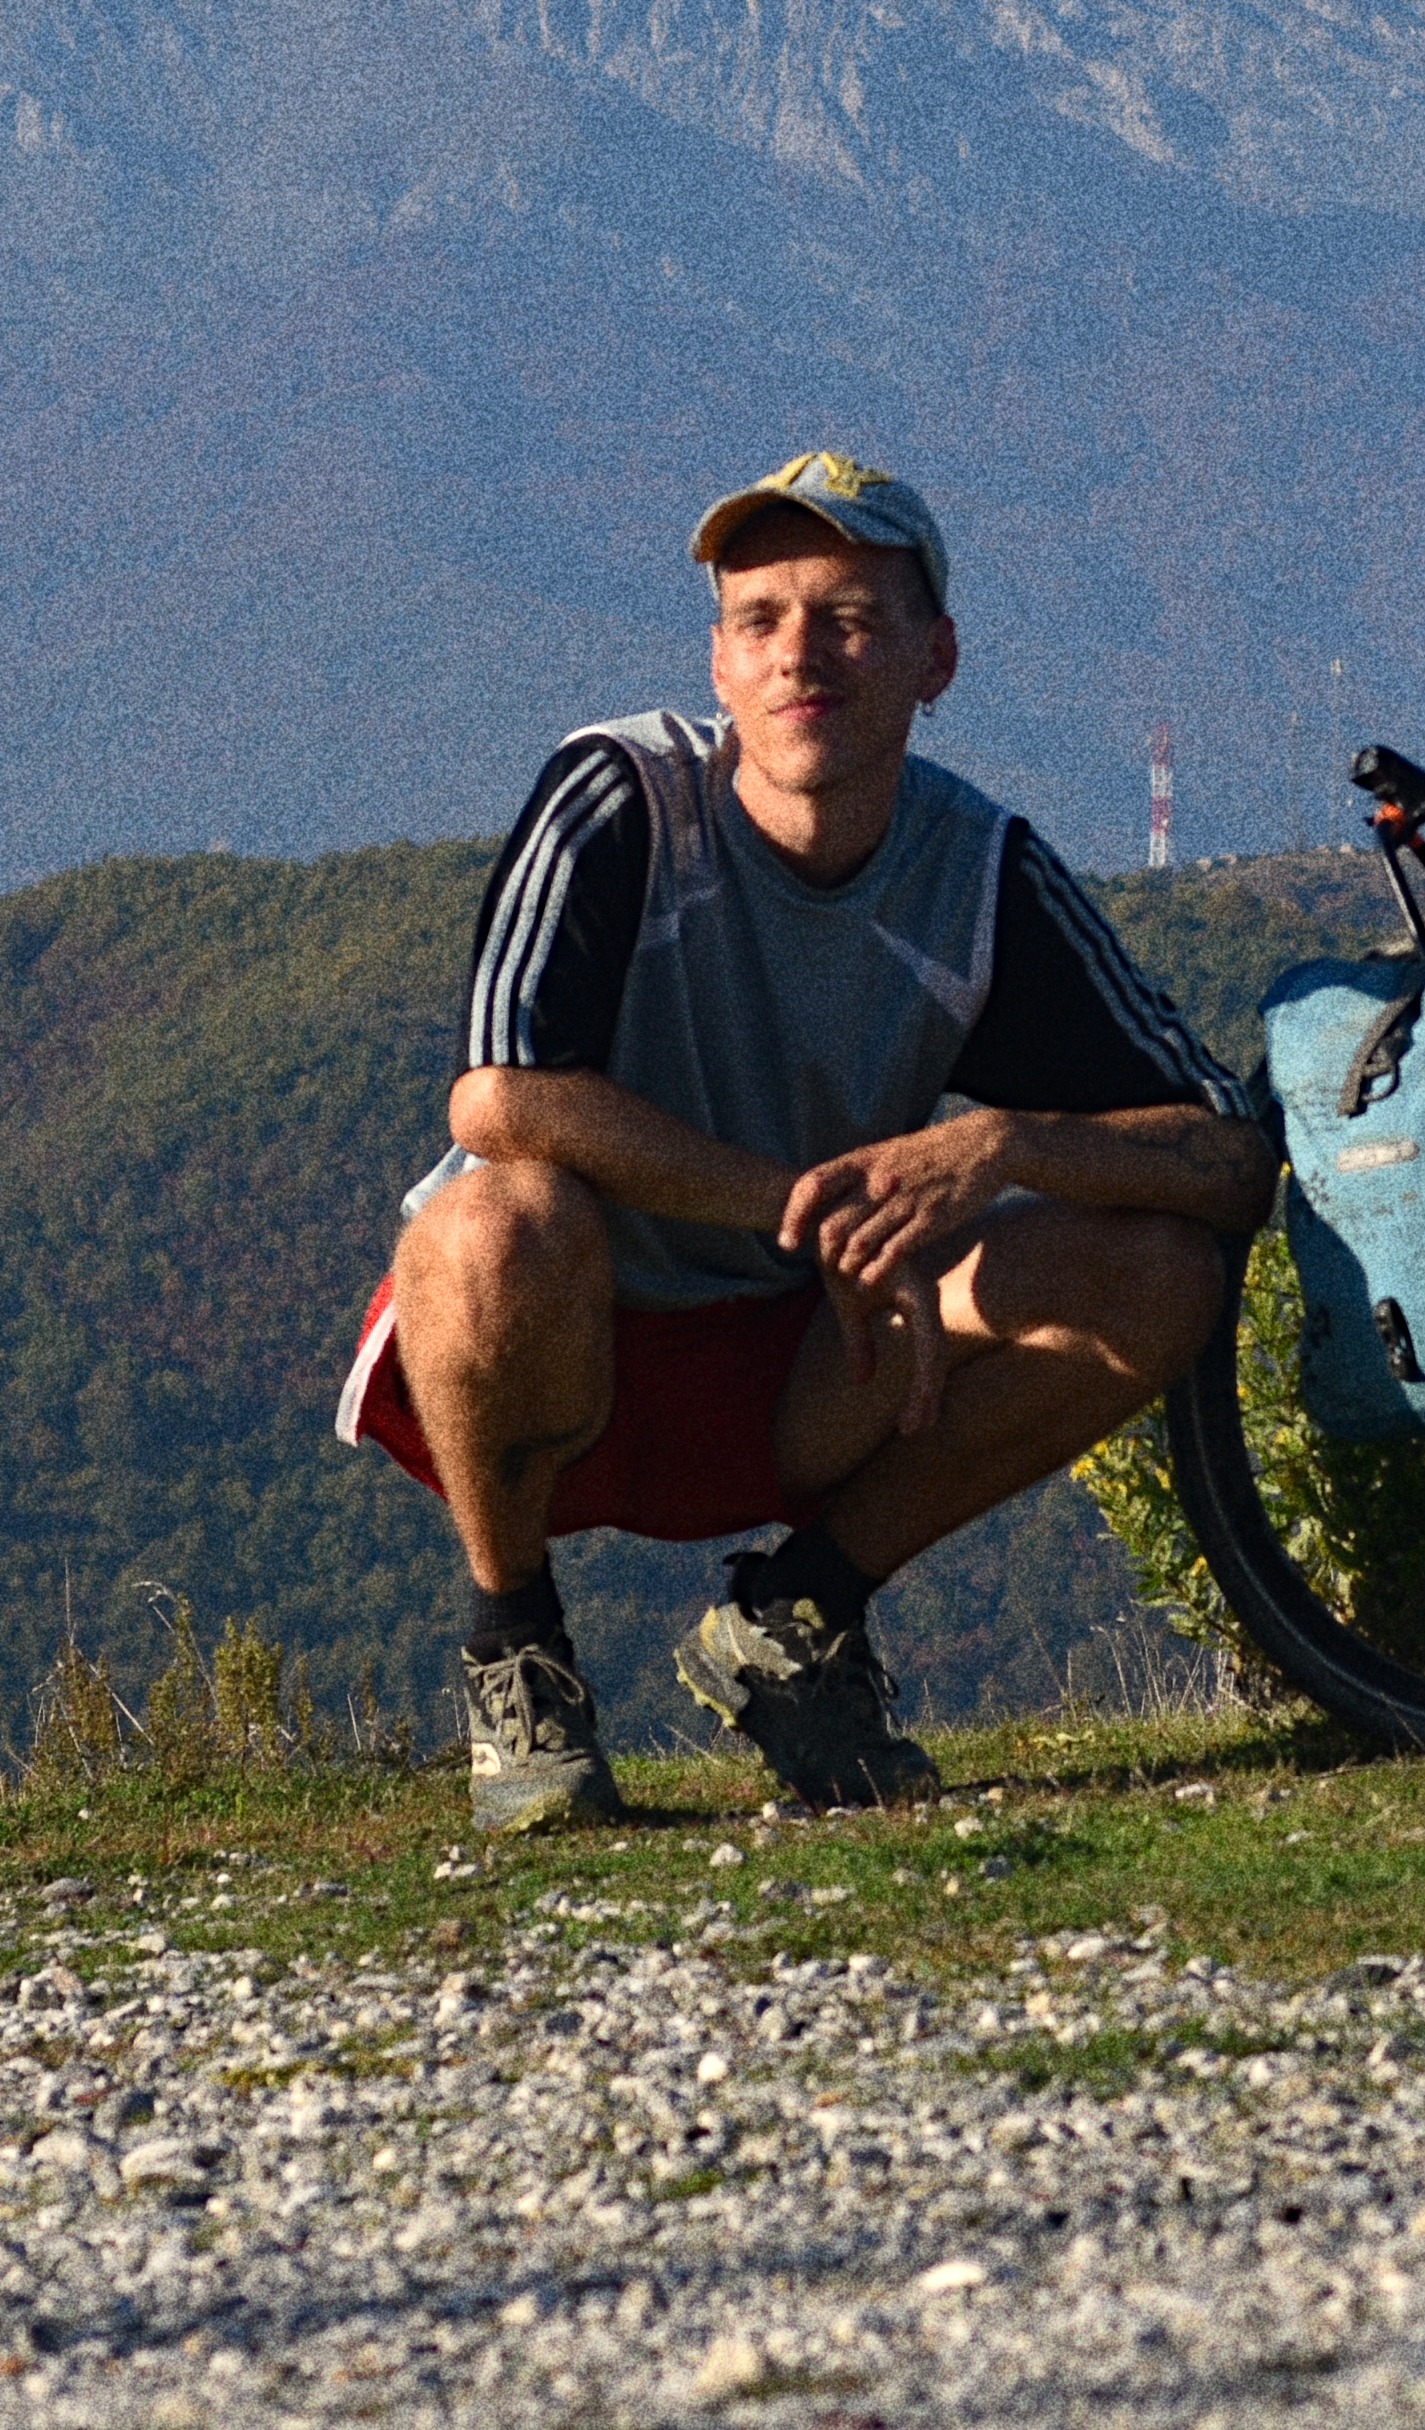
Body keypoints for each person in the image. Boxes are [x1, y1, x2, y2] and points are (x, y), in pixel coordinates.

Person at [334, 451, 1267, 1828]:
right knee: (492, 1216)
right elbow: (496, 1100)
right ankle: (516, 1653)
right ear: (716, 664)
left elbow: (1228, 1158)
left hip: (808, 1360)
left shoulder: (980, 875)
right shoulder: (622, 799)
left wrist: (1002, 1144)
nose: (800, 656)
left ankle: (799, 1618)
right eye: (760, 620)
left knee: (1157, 1270)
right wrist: (801, 1209)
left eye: (850, 617)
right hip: (555, 1330)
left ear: (934, 660)